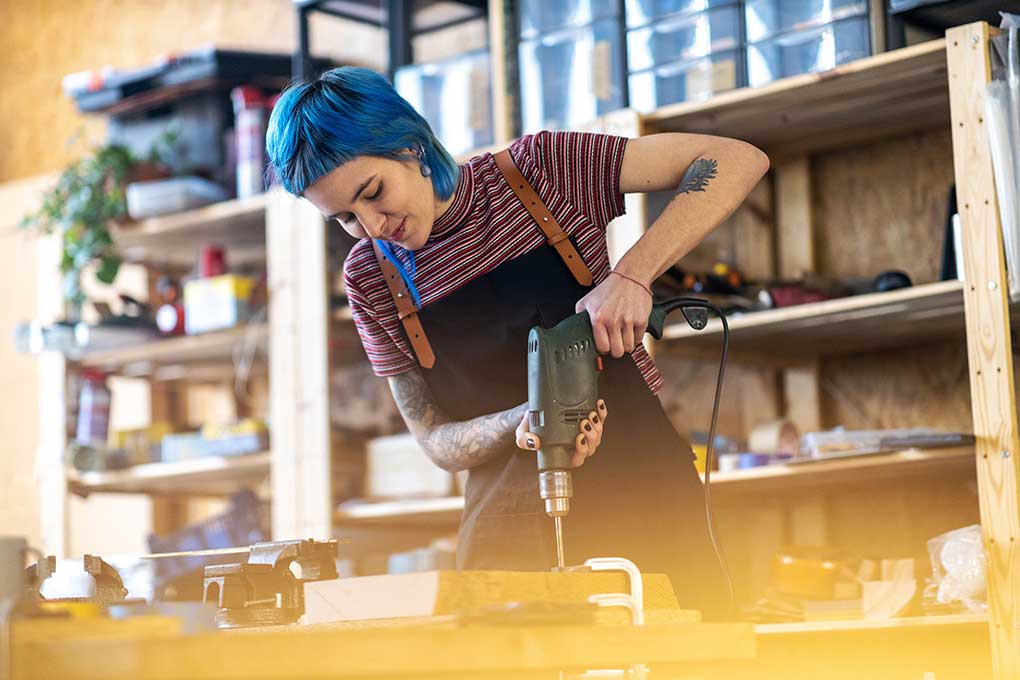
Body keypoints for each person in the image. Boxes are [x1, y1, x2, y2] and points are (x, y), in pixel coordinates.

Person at [266, 66, 769, 618]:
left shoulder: (541, 172)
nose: (372, 225)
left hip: (643, 491)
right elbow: (435, 442)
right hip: (509, 537)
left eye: (373, 193)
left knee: (695, 651)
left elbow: (735, 160)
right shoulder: (370, 278)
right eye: (345, 218)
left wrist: (632, 275)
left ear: (410, 146)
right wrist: (528, 422)